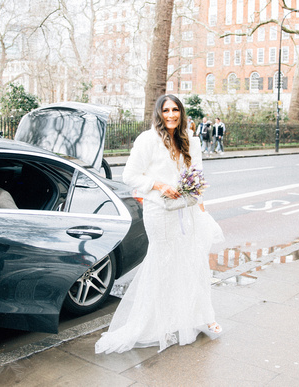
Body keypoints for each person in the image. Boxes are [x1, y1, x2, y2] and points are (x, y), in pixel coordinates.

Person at [95, 94, 224, 354]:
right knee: (163, 262)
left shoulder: (191, 139)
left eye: (176, 110)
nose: (171, 115)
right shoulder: (148, 140)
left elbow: (197, 176)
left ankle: (198, 316)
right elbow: (129, 175)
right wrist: (159, 185)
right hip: (159, 211)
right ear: (159, 113)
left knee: (191, 261)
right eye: (166, 110)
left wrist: (199, 204)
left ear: (181, 112)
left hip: (186, 211)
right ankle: (159, 322)